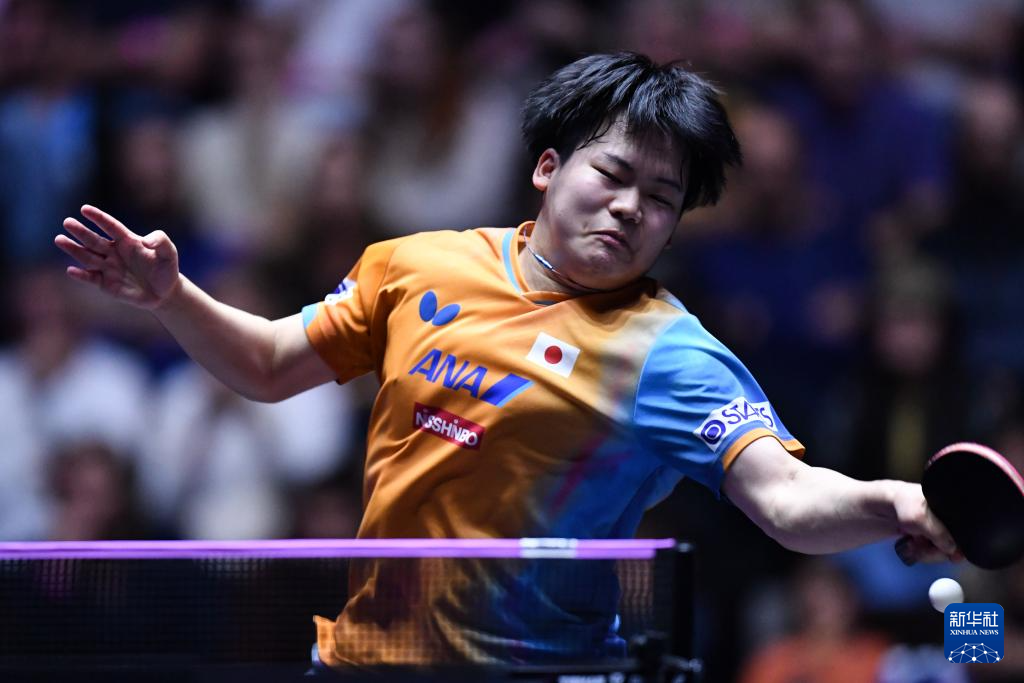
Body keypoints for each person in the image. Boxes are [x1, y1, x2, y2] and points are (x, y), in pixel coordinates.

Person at [54, 52, 958, 667]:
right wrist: (173, 295)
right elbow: (266, 364)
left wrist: (896, 502)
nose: (630, 207)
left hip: (542, 669)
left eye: (661, 198)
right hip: (365, 661)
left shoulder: (666, 352)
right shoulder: (414, 267)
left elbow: (786, 501)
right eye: (613, 174)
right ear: (548, 168)